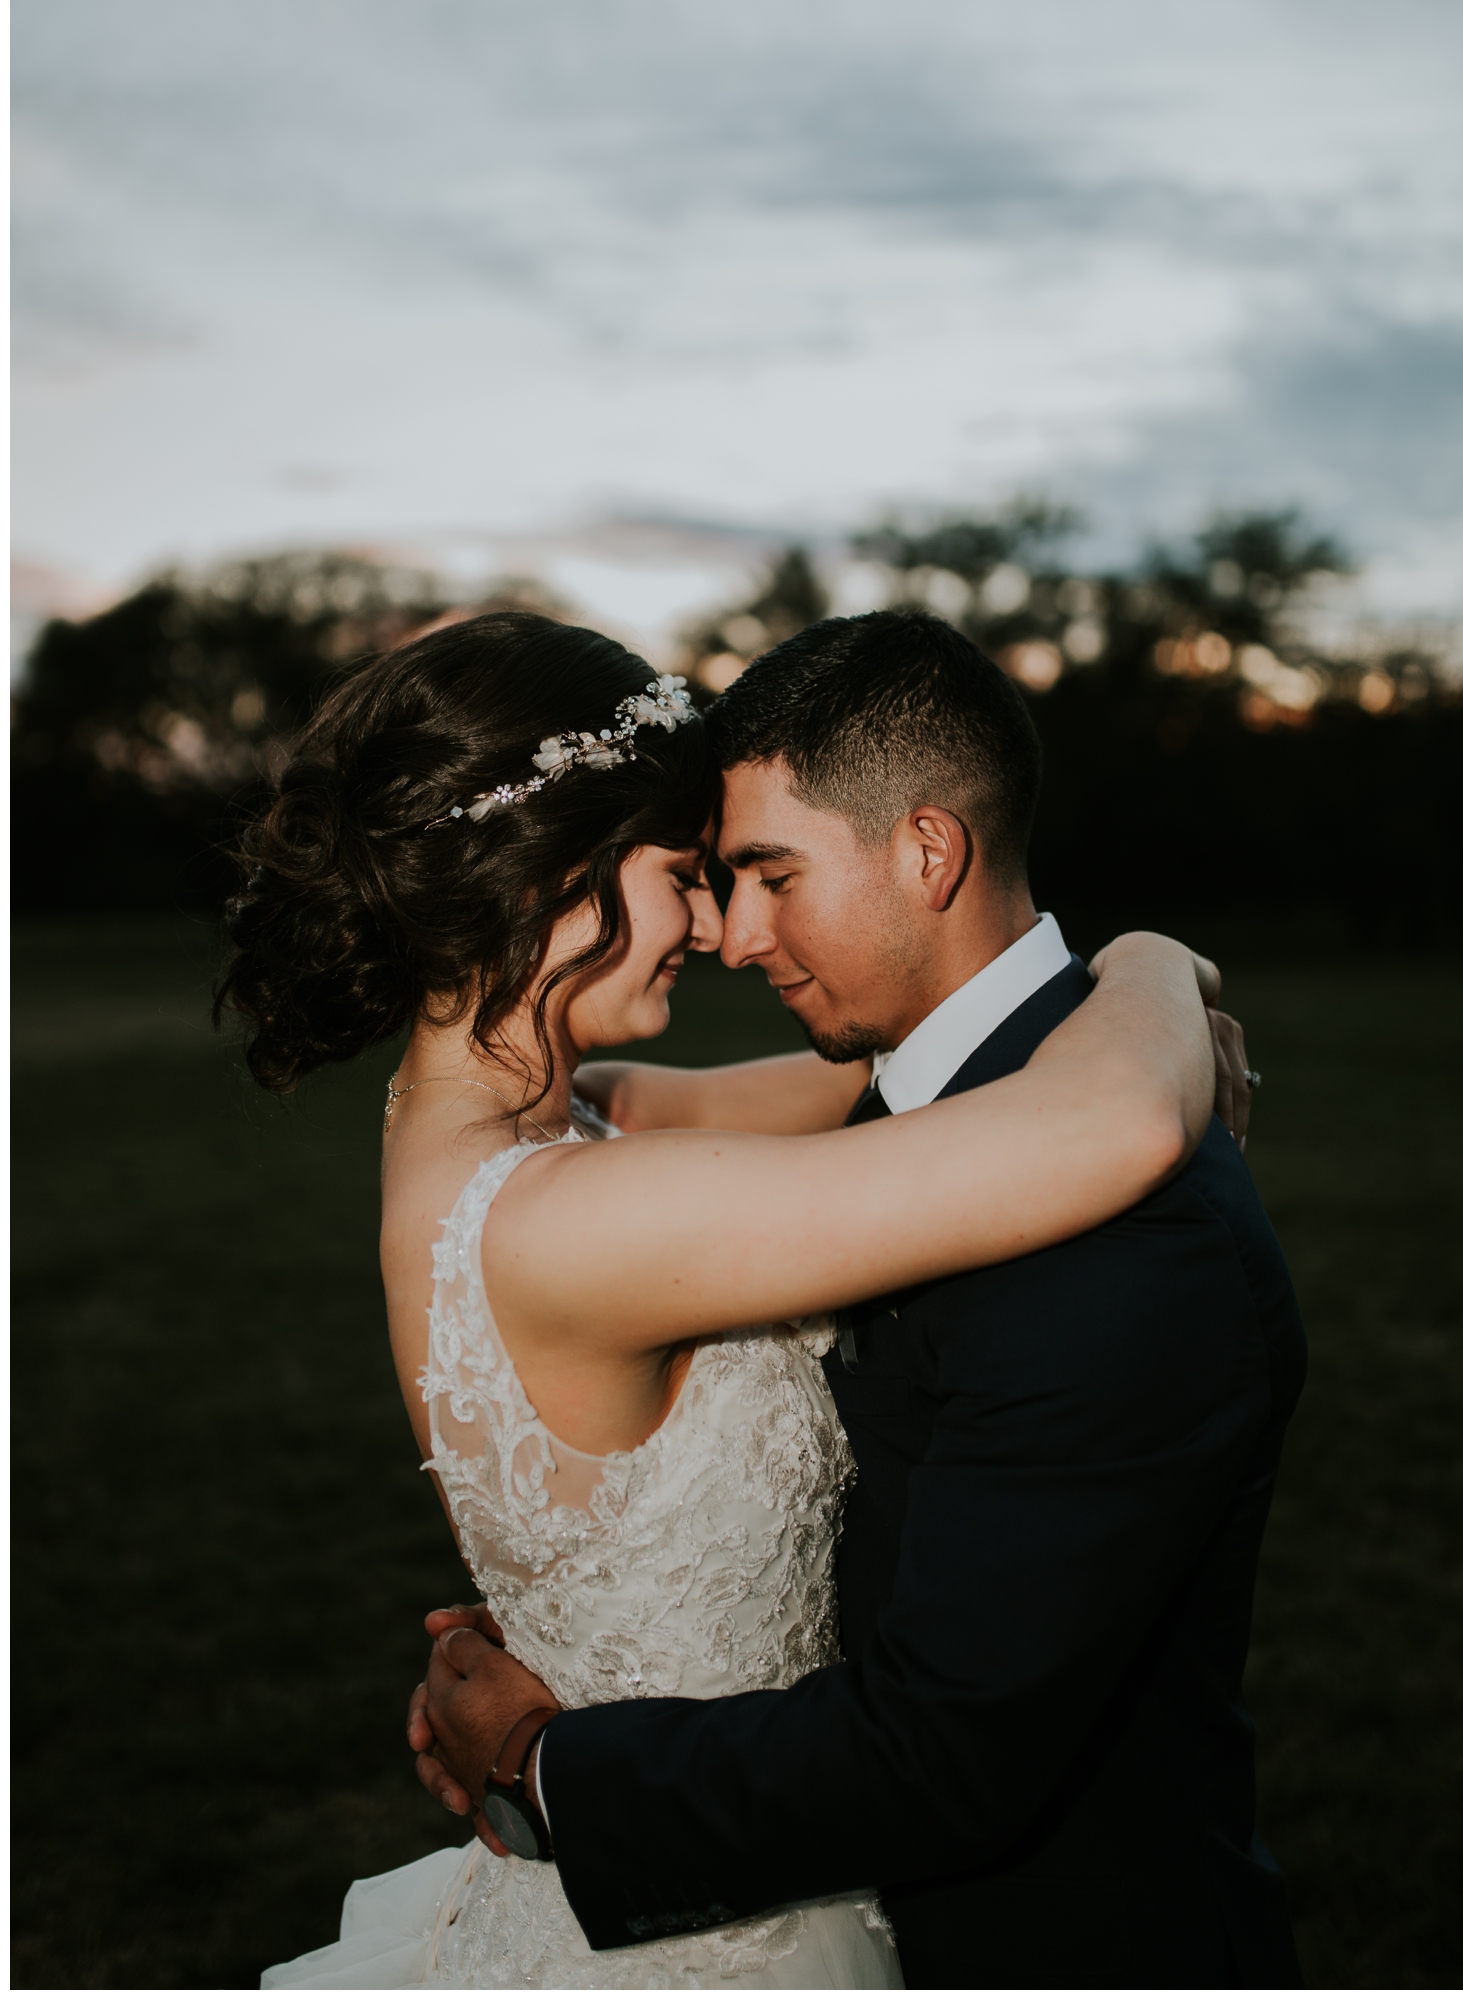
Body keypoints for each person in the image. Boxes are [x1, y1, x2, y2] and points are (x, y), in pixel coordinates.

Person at [219, 608, 1232, 1991]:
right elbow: (1114, 1122)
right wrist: (1157, 964)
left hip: (667, 1838)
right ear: (553, 877)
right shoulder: (577, 1218)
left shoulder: (542, 1127)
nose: (714, 926)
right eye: (686, 874)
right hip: (722, 1934)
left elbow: (877, 1068)